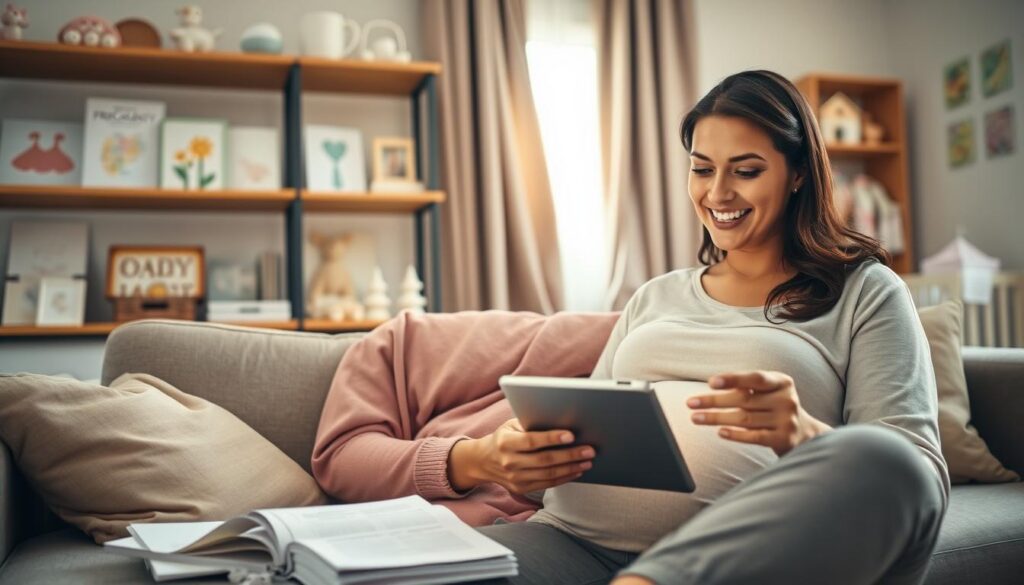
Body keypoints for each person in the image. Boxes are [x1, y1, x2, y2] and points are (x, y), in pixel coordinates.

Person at [448, 70, 948, 584]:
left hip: (737, 561)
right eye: (702, 169)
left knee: (892, 459)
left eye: (746, 171)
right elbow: (579, 437)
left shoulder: (866, 291)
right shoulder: (655, 295)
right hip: (568, 541)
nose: (718, 193)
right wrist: (529, 456)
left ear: (798, 173)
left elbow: (916, 476)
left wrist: (805, 436)